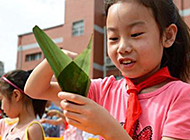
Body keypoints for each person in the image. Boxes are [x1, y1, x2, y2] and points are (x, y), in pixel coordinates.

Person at [24, 0, 190, 139]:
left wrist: (108, 129)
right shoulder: (103, 90)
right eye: (113, 38)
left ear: (168, 36)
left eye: (136, 34)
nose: (122, 47)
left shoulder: (181, 96)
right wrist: (56, 56)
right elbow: (34, 90)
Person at [0, 70, 47, 140]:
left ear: (16, 95)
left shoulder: (32, 129)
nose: (2, 107)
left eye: (1, 99)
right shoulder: (6, 124)